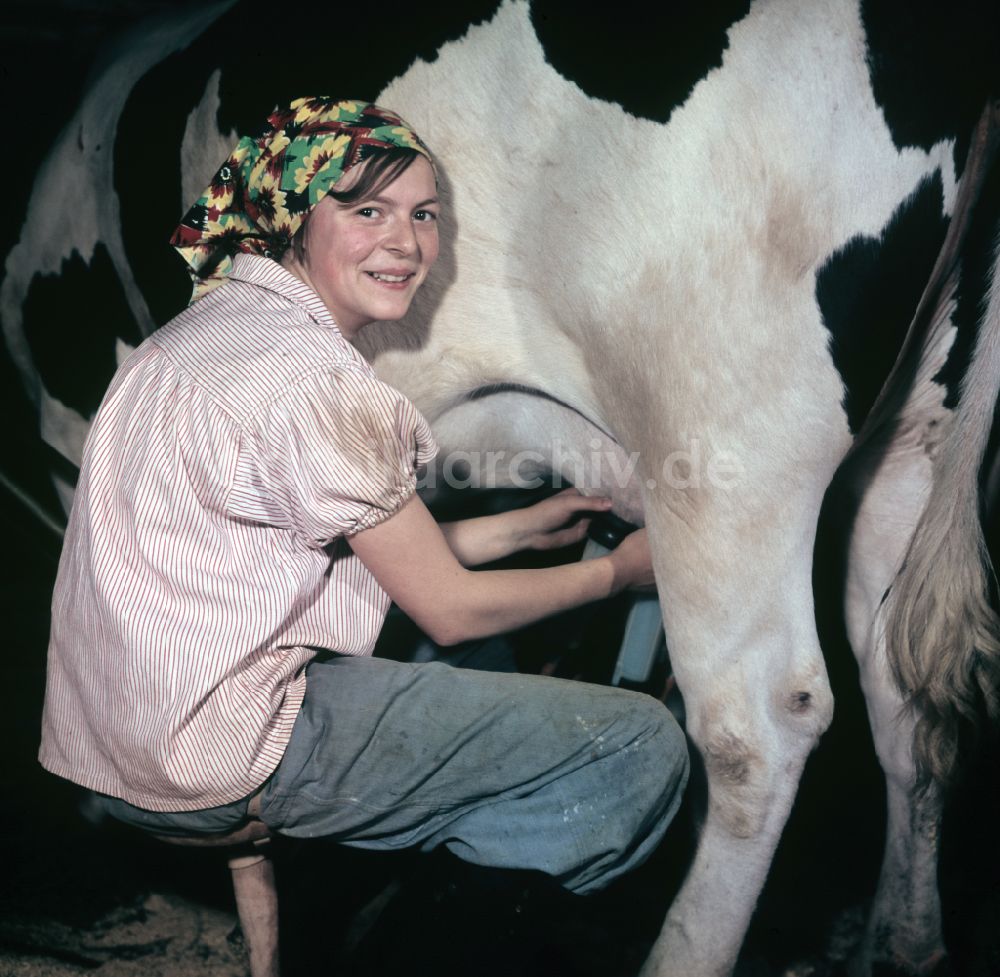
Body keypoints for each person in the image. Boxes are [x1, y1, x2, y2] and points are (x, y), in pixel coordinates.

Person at [40, 98, 688, 896]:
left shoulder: (200, 331)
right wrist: (619, 573)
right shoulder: (319, 385)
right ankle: (427, 923)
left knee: (466, 657)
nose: (408, 243)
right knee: (636, 745)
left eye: (424, 213)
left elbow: (352, 549)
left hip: (113, 749)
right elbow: (446, 606)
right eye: (368, 209)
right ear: (297, 217)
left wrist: (522, 529)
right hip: (214, 757)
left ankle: (413, 860)